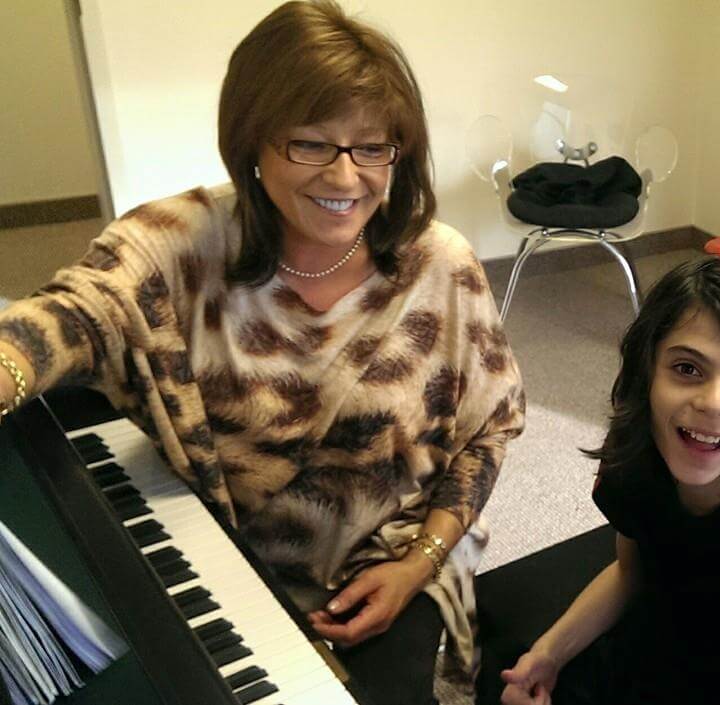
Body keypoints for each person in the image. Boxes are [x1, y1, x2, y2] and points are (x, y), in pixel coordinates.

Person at [0, 2, 524, 703]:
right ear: (252, 139)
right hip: (223, 562)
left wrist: (421, 561)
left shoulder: (438, 264)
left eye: (372, 148)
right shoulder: (180, 241)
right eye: (311, 143)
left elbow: (491, 429)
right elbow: (75, 312)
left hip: (397, 553)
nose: (346, 178)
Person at [490, 257, 720, 705]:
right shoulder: (634, 457)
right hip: (673, 619)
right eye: (687, 369)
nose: (714, 402)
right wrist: (549, 653)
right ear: (647, 372)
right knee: (502, 681)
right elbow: (629, 571)